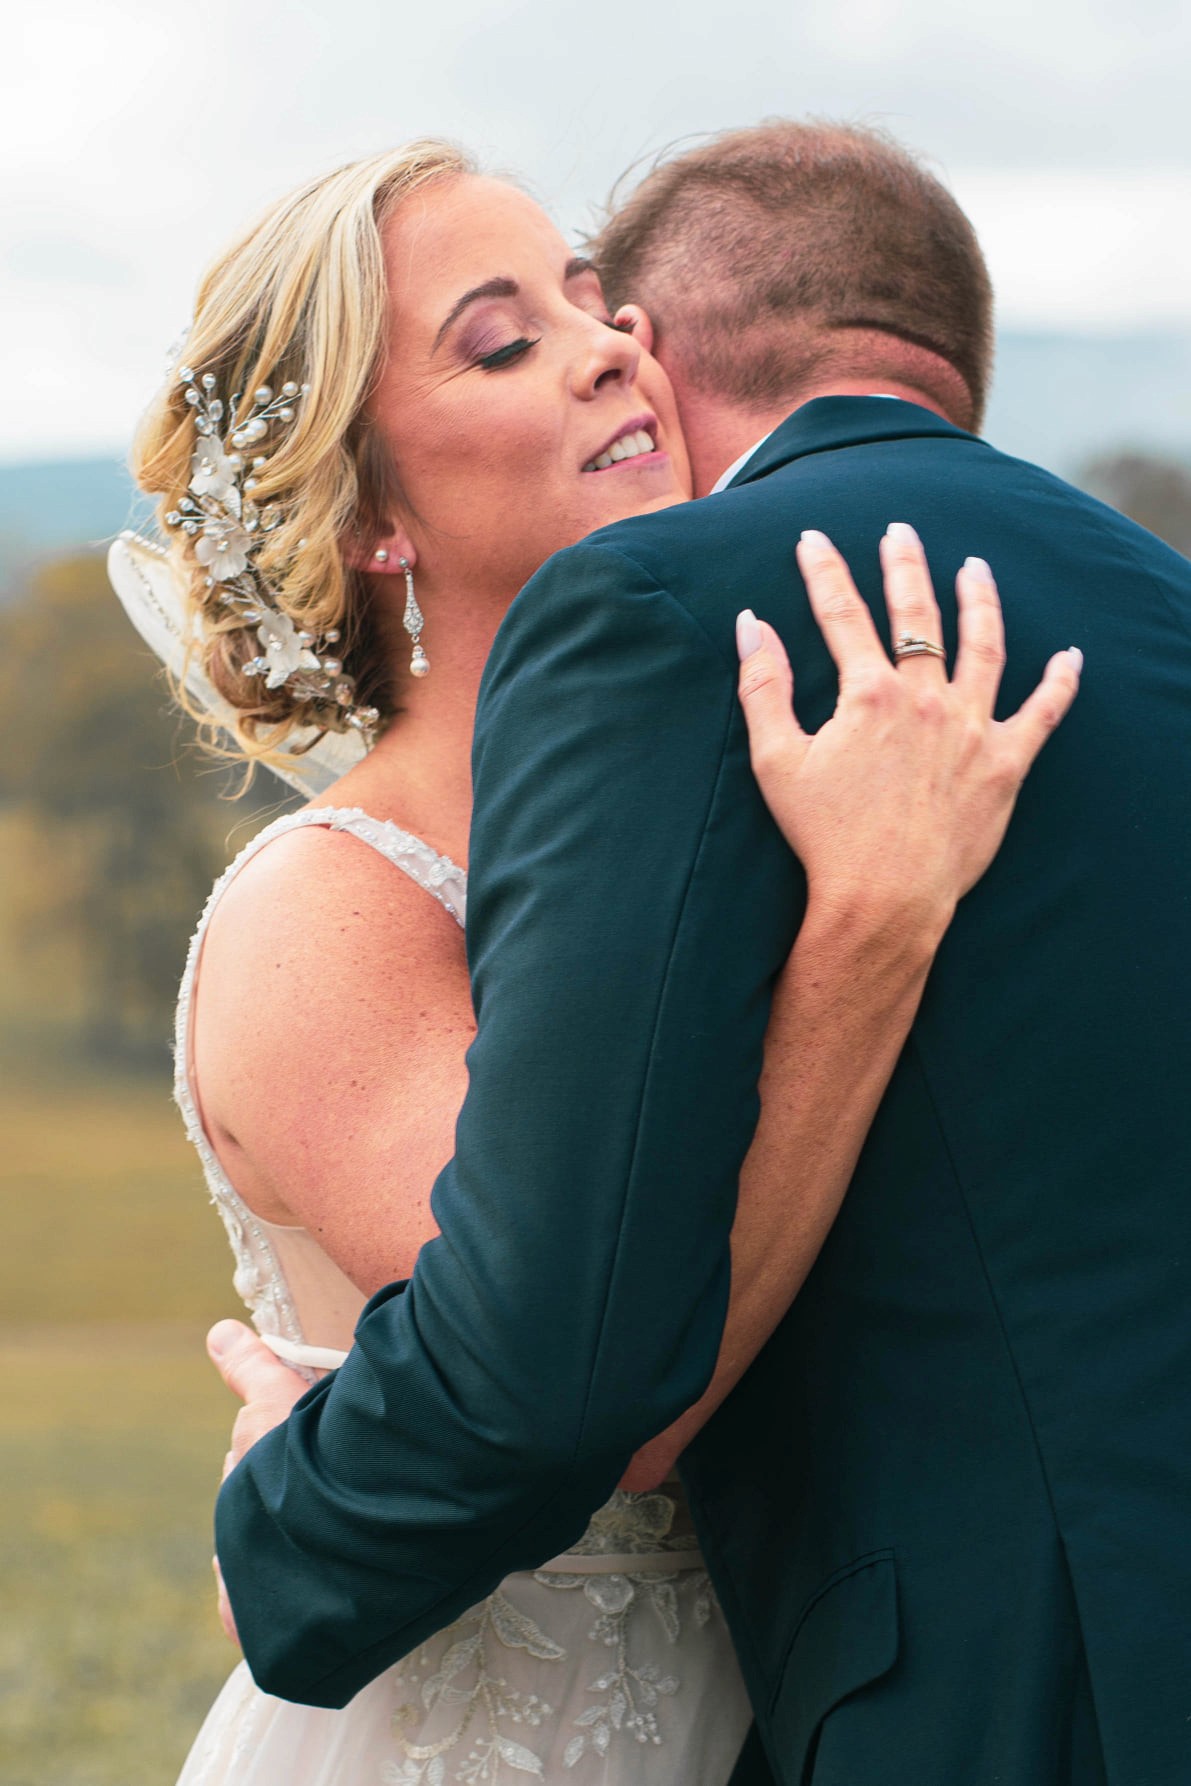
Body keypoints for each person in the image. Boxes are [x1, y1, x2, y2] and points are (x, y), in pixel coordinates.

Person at [117, 136, 1080, 1785]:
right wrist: (871, 929)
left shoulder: (733, 811)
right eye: (503, 342)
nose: (609, 346)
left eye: (591, 299)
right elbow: (593, 1389)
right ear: (370, 524)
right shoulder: (324, 914)